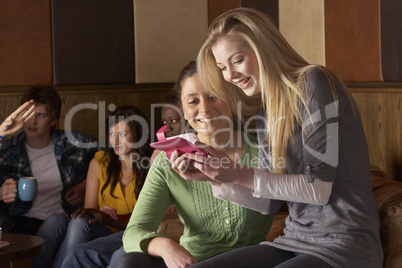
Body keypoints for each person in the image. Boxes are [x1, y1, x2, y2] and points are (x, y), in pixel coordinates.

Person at [169, 8, 383, 268]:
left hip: (345, 243)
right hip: (294, 239)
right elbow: (268, 203)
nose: (230, 76)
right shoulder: (266, 108)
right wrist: (215, 176)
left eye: (237, 61)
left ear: (263, 48)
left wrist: (236, 172)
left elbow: (318, 188)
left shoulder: (315, 81)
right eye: (223, 67)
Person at [109, 61, 273, 268]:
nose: (204, 108)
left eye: (213, 96)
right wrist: (166, 246)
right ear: (183, 110)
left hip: (251, 261)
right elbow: (133, 232)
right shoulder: (167, 162)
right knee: (125, 260)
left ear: (231, 97)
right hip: (191, 262)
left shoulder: (264, 151)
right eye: (193, 101)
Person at [0, 85, 97, 268]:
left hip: (62, 220)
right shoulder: (9, 148)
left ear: (53, 120)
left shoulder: (70, 142)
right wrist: (1, 133)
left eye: (41, 115)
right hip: (21, 222)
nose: (33, 122)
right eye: (29, 115)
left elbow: (110, 153)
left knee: (56, 219)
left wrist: (87, 183)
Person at [53, 106, 153, 267]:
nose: (115, 141)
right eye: (112, 134)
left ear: (139, 134)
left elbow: (148, 221)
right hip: (104, 232)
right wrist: (98, 214)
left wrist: (111, 218)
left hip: (135, 234)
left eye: (122, 134)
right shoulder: (100, 163)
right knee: (79, 221)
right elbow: (89, 213)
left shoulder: (152, 164)